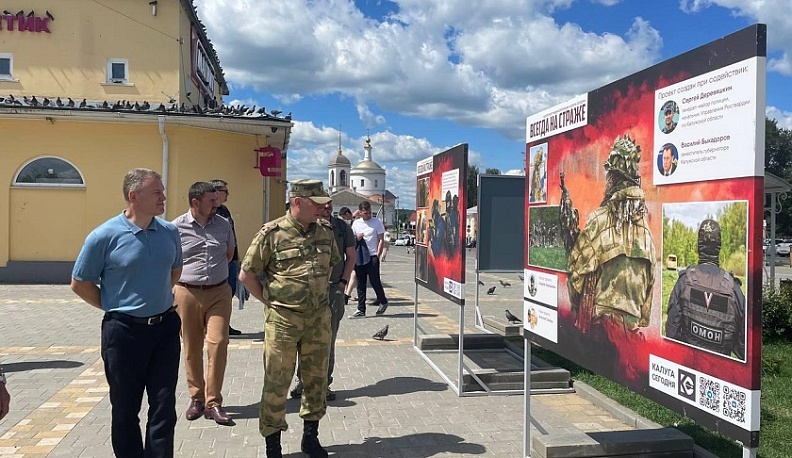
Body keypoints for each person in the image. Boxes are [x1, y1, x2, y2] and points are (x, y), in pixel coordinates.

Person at [71, 168, 183, 458]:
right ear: (134, 196)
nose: (163, 197)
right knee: (125, 409)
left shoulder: (169, 232)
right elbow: (80, 283)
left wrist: (153, 297)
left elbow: (174, 271)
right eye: (156, 192)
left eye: (162, 192)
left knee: (164, 406)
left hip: (165, 328)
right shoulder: (104, 236)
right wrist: (115, 305)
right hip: (123, 333)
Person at [239, 179, 340, 458]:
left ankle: (310, 438)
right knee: (277, 384)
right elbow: (246, 275)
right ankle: (273, 446)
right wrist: (270, 301)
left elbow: (330, 267)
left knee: (316, 381)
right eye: (316, 203)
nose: (322, 208)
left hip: (318, 320)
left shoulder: (325, 232)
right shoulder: (272, 234)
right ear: (297, 202)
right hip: (283, 322)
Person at [559, 135, 655, 383]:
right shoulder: (646, 232)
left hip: (601, 332)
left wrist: (579, 311)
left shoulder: (600, 220)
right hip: (632, 334)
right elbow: (648, 295)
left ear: (614, 177)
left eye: (609, 174)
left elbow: (576, 273)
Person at [172, 182, 235, 426]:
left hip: (219, 291)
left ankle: (213, 402)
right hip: (186, 292)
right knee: (192, 346)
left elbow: (229, 254)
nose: (216, 204)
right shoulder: (176, 227)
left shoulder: (224, 224)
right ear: (195, 202)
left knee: (218, 343)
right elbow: (170, 260)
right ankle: (196, 398)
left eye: (217, 199)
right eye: (211, 200)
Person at [290, 200, 355, 401]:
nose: (326, 209)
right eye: (322, 205)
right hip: (307, 291)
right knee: (305, 339)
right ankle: (303, 381)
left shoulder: (341, 228)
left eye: (329, 205)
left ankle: (324, 384)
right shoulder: (308, 225)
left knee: (327, 339)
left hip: (333, 290)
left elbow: (350, 257)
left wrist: (343, 283)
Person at [665, 219, 746, 359]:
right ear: (719, 247)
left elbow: (672, 333)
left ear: (698, 247)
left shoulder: (684, 282)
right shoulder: (734, 290)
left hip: (688, 364)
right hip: (720, 368)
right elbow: (743, 349)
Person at [211, 179, 243, 336]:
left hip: (231, 259)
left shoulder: (224, 210)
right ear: (216, 192)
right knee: (220, 295)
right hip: (221, 261)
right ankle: (215, 325)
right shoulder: (212, 212)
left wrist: (237, 256)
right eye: (225, 191)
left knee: (228, 294)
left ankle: (224, 324)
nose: (228, 194)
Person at [350, 201, 389, 317]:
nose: (368, 215)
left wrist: (378, 255)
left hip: (372, 256)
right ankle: (361, 309)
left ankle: (383, 301)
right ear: (360, 213)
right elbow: (351, 240)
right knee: (360, 283)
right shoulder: (356, 224)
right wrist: (357, 238)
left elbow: (381, 239)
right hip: (360, 256)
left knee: (374, 281)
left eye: (370, 212)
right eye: (365, 213)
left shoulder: (376, 222)